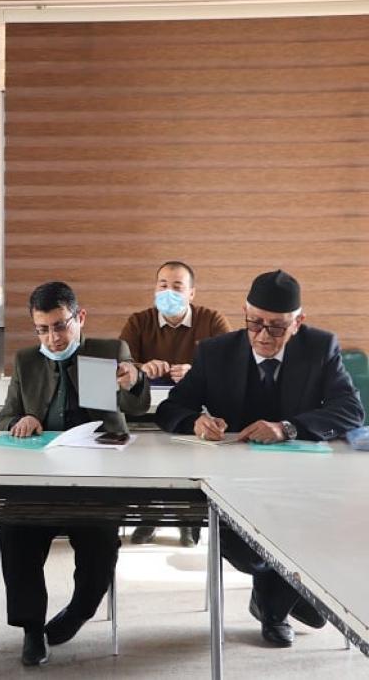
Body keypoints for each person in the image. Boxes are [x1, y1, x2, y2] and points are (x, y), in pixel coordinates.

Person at [156, 269, 364, 648]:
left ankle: (272, 610)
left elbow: (351, 411)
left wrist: (287, 428)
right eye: (255, 323)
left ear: (298, 322)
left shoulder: (320, 347)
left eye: (277, 327)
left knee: (309, 533)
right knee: (250, 552)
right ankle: (287, 590)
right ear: (245, 313)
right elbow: (171, 408)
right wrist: (196, 421)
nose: (264, 336)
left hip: (298, 486)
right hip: (232, 483)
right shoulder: (215, 351)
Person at [0, 281, 150, 666]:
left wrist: (133, 380)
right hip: (40, 479)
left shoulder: (107, 353)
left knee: (100, 543)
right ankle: (32, 628)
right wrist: (21, 421)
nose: (53, 337)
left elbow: (138, 405)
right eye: (43, 329)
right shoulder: (27, 361)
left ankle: (79, 611)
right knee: (14, 529)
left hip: (96, 479)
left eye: (60, 326)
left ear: (79, 317)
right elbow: (5, 418)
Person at [120, 261, 231, 547]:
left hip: (194, 409)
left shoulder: (212, 320)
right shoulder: (139, 321)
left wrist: (197, 371)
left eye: (177, 287)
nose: (168, 292)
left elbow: (230, 364)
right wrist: (142, 368)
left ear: (191, 293)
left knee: (192, 455)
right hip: (147, 409)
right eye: (163, 285)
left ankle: (190, 520)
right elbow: (121, 364)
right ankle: (148, 515)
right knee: (144, 455)